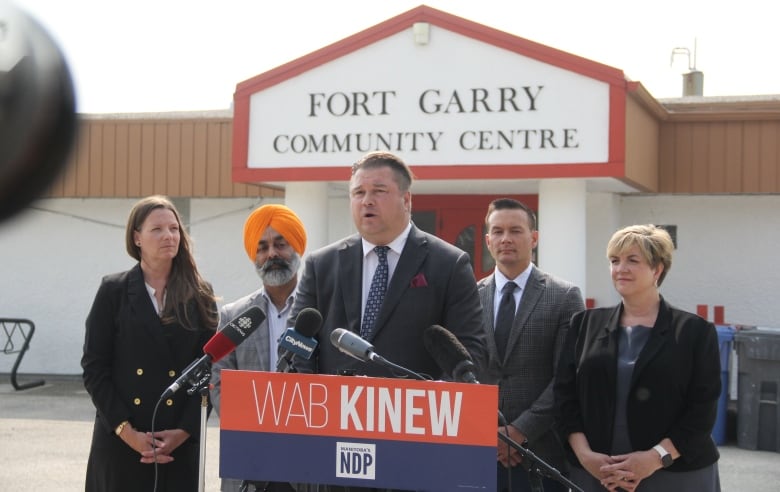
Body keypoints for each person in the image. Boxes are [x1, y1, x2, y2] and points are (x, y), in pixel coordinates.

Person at [292, 150, 488, 383]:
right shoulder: (321, 265)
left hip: (417, 413)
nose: (367, 201)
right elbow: (296, 345)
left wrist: (436, 399)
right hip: (332, 411)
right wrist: (309, 393)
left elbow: (470, 350)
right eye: (358, 193)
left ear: (406, 200)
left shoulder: (449, 264)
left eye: (378, 191)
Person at [554, 224, 722, 492]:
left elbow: (702, 410)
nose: (621, 268)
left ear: (657, 269)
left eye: (633, 260)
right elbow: (565, 398)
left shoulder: (695, 332)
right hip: (596, 474)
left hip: (674, 475)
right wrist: (586, 457)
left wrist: (656, 458)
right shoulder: (584, 324)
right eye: (614, 261)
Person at [81, 195, 219, 492]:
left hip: (177, 444)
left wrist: (183, 431)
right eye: (157, 229)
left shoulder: (200, 293)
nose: (168, 235)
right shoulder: (113, 291)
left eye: (174, 228)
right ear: (137, 238)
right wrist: (127, 432)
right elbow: (94, 368)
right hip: (121, 440)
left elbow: (209, 370)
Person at [476, 198, 585, 492]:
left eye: (515, 230)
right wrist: (488, 433)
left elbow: (567, 377)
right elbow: (465, 369)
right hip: (481, 453)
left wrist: (519, 432)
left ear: (533, 238)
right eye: (497, 232)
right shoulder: (471, 298)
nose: (506, 239)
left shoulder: (564, 296)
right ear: (488, 241)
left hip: (543, 454)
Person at [210, 204, 307, 492]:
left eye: (281, 244)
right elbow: (219, 380)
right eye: (262, 247)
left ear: (297, 248)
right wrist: (254, 428)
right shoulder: (234, 316)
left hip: (308, 458)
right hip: (251, 458)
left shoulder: (320, 311)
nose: (272, 254)